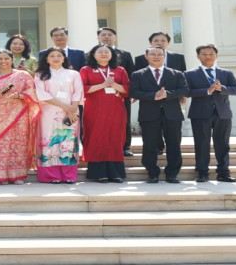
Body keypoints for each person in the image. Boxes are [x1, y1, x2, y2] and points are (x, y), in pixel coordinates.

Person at [130, 47, 189, 183]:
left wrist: (167, 94)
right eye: (152, 54)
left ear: (164, 56)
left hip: (172, 114)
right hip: (149, 114)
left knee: (174, 144)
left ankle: (172, 173)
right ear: (146, 57)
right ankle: (152, 173)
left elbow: (184, 90)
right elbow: (134, 92)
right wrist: (153, 96)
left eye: (159, 54)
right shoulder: (138, 74)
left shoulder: (177, 73)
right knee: (149, 144)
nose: (156, 57)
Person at [184, 44, 236, 183]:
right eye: (204, 54)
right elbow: (186, 92)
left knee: (223, 144)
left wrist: (222, 88)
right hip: (200, 114)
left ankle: (223, 173)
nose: (208, 57)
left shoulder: (226, 73)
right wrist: (207, 91)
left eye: (211, 54)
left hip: (223, 113)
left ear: (216, 56)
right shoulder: (189, 74)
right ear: (198, 56)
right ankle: (202, 173)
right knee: (201, 143)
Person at [0, 50, 39, 184]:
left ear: (12, 60)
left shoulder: (23, 75)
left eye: (6, 58)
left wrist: (19, 96)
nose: (3, 61)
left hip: (19, 114)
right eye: (0, 59)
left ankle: (16, 175)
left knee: (18, 143)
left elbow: (32, 91)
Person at [80, 44, 130, 183]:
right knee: (97, 138)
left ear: (112, 54)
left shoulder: (120, 70)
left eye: (106, 51)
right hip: (94, 110)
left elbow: (127, 90)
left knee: (115, 138)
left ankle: (116, 173)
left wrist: (114, 85)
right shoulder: (86, 69)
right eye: (100, 52)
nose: (103, 54)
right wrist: (103, 85)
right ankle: (98, 173)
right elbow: (81, 89)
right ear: (93, 55)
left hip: (115, 110)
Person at [34, 47, 83, 184]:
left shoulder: (73, 74)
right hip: (48, 112)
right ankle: (51, 175)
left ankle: (68, 175)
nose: (56, 58)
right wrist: (66, 107)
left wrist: (71, 109)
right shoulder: (40, 75)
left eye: (59, 55)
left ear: (64, 58)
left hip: (71, 112)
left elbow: (78, 92)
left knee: (68, 141)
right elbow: (42, 95)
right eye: (52, 56)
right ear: (47, 59)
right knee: (49, 140)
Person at [133, 31, 187, 156]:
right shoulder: (141, 59)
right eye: (156, 41)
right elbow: (137, 80)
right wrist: (140, 95)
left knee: (173, 137)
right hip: (150, 102)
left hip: (171, 100)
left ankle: (172, 170)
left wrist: (180, 95)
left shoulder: (178, 57)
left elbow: (184, 76)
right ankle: (158, 150)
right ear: (150, 43)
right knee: (151, 136)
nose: (159, 43)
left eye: (163, 41)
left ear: (168, 43)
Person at [96, 27, 136, 157]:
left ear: (115, 37)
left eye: (110, 35)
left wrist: (132, 93)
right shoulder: (91, 54)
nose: (106, 37)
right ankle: (101, 144)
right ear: (98, 38)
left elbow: (132, 75)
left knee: (124, 120)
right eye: (103, 35)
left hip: (120, 94)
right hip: (98, 95)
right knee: (100, 120)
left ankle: (125, 146)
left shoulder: (125, 54)